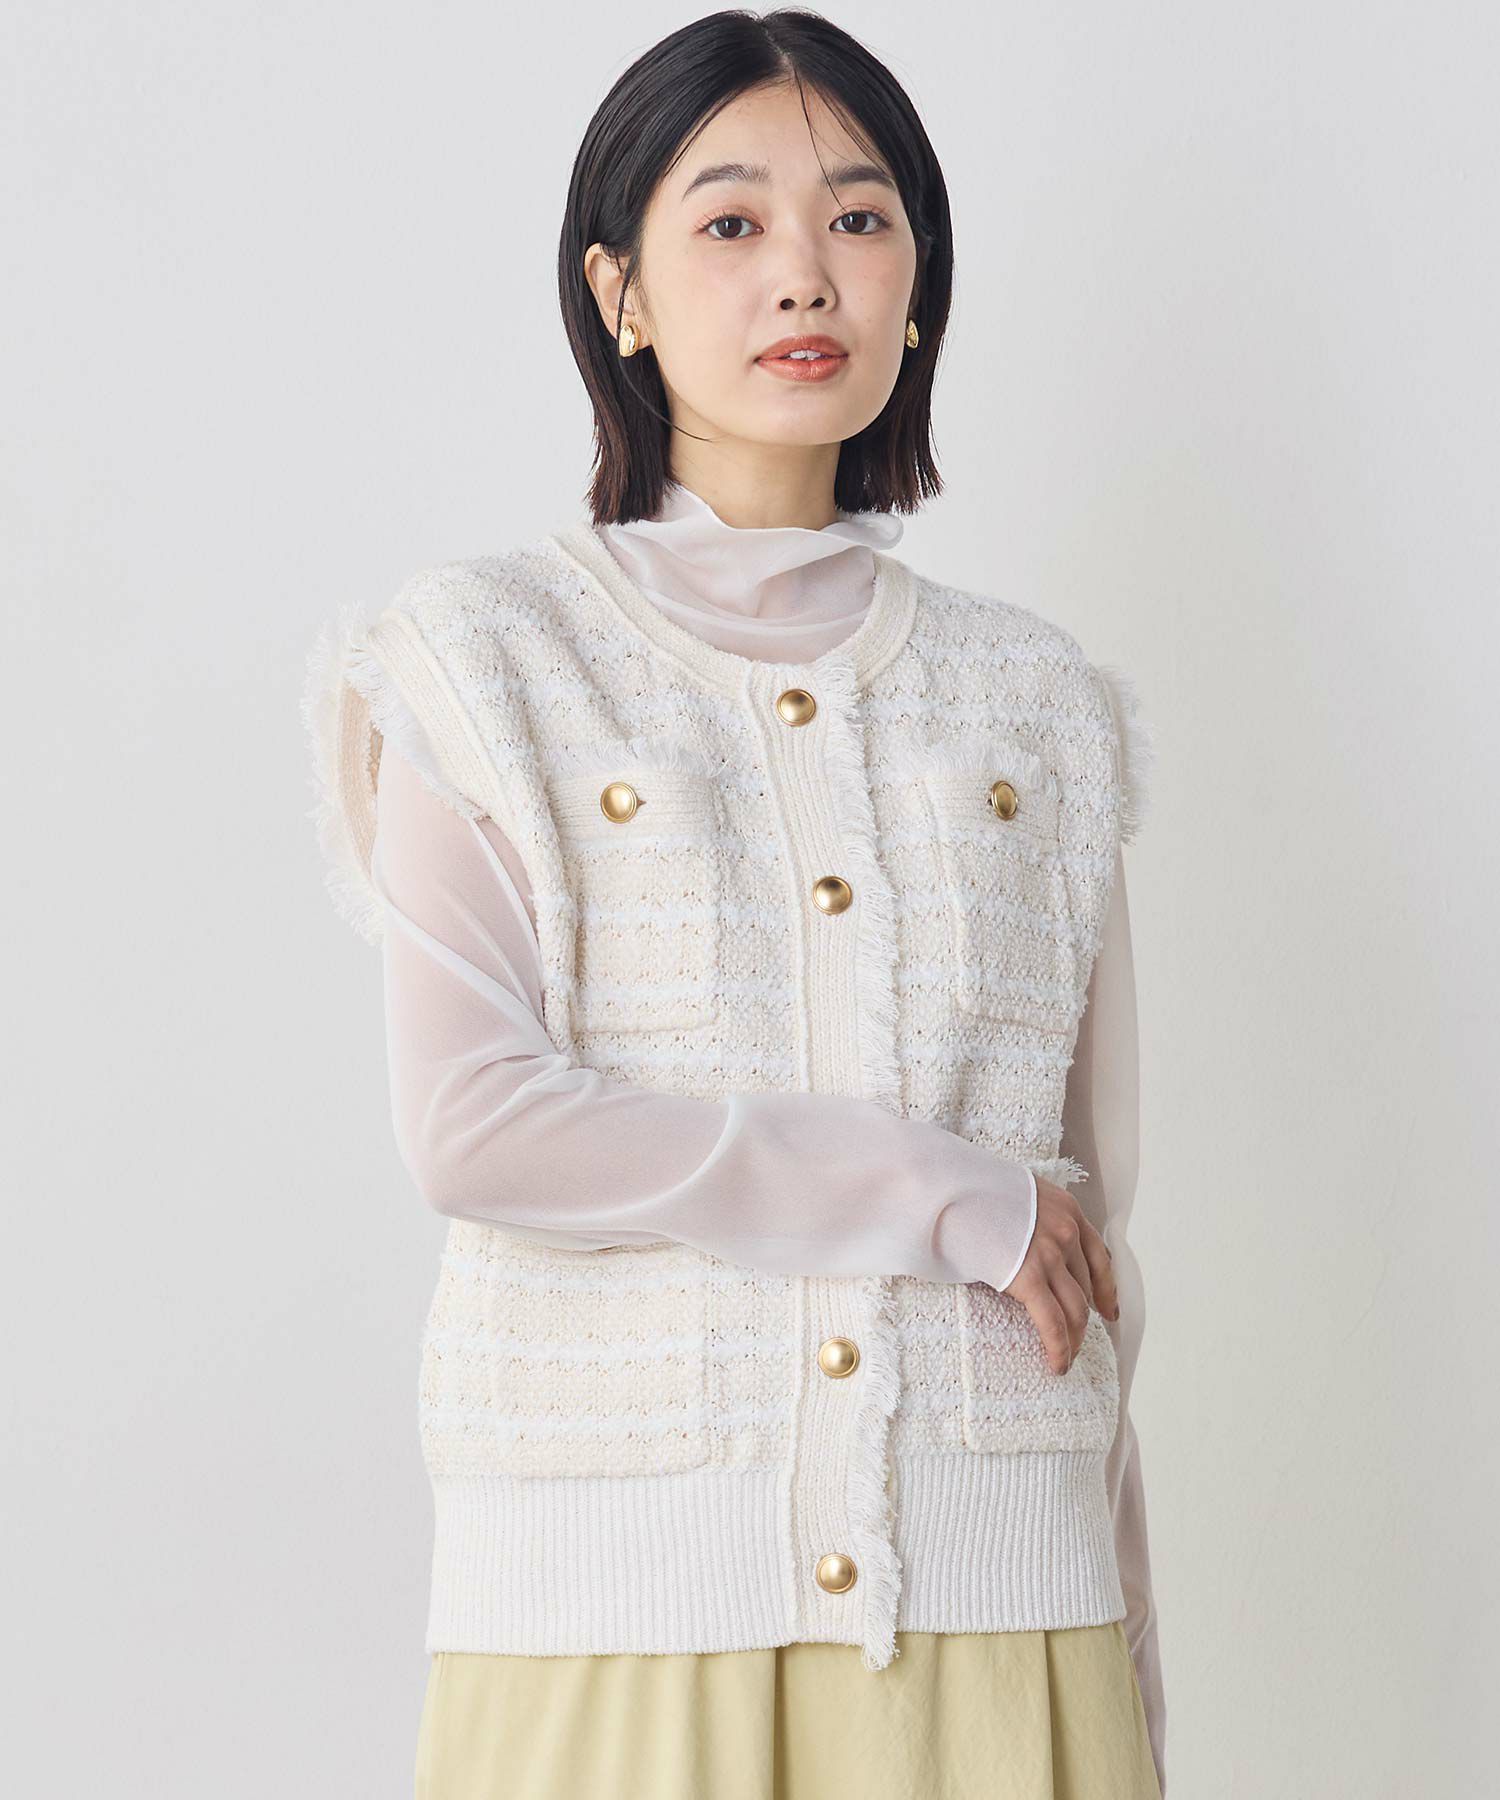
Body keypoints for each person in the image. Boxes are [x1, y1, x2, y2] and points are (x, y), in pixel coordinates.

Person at [303, 13, 1166, 1798]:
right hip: (609, 1620)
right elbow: (476, 1128)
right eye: (729, 221)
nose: (804, 272)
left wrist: (1131, 1683)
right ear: (616, 291)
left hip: (1005, 1605)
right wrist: (929, 1188)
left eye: (860, 217)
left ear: (919, 283)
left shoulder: (1038, 703)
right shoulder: (484, 664)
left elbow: (1082, 1233)